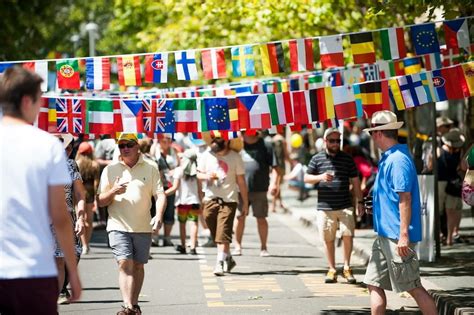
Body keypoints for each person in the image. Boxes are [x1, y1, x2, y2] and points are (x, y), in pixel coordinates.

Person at [0, 66, 81, 313]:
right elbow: (60, 216)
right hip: (34, 269)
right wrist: (73, 272)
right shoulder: (46, 146)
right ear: (27, 101)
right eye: (39, 102)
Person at [362, 110, 437, 314]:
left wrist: (403, 235)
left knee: (413, 287)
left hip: (397, 237)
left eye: (371, 133)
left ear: (378, 133)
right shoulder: (389, 157)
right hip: (385, 235)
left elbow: (405, 198)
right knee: (373, 283)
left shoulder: (397, 160)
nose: (372, 138)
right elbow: (393, 196)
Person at [98, 133, 166, 315]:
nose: (125, 148)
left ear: (137, 147)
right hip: (117, 225)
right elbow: (101, 201)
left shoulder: (151, 167)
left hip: (143, 226)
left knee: (138, 266)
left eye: (129, 145)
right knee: (124, 264)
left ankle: (134, 305)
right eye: (121, 145)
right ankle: (127, 306)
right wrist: (113, 191)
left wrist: (158, 215)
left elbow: (160, 195)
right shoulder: (110, 169)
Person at [304, 127, 364, 284]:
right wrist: (320, 177)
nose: (336, 144)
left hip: (345, 205)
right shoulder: (316, 159)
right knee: (328, 238)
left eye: (338, 141)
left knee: (348, 235)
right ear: (325, 142)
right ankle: (331, 269)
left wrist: (360, 201)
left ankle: (346, 267)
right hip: (325, 207)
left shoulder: (347, 159)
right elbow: (306, 178)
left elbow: (356, 181)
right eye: (332, 141)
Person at [197, 132, 249, 276]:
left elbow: (241, 182)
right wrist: (207, 176)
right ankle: (228, 257)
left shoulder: (235, 157)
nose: (215, 141)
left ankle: (220, 263)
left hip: (229, 201)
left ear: (226, 141)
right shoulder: (206, 155)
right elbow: (198, 174)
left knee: (223, 233)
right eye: (213, 139)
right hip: (210, 200)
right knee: (217, 234)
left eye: (218, 139)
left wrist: (245, 203)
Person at [233, 131, 281, 257]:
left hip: (260, 188)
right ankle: (237, 246)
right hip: (240, 190)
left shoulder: (266, 145)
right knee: (239, 217)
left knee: (261, 218)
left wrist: (274, 184)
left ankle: (264, 247)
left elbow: (276, 168)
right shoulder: (237, 145)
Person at [53, 133, 86, 305]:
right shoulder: (37, 164)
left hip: (65, 219)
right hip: (40, 220)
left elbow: (80, 194)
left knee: (61, 258)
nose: (64, 150)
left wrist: (80, 217)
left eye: (68, 147)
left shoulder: (71, 165)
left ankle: (58, 293)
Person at [438, 128, 466, 245]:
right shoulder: (459, 151)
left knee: (438, 211)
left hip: (439, 182)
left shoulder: (439, 150)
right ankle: (449, 238)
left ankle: (439, 234)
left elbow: (430, 164)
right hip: (453, 183)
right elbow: (463, 167)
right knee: (451, 212)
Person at [173, 149, 203, 254]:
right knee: (194, 224)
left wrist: (164, 193)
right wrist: (202, 203)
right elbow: (200, 191)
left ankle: (183, 245)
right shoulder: (197, 172)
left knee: (182, 224)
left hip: (182, 202)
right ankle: (193, 247)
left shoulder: (179, 171)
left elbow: (175, 187)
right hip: (194, 202)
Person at [76, 141, 100, 255]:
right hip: (90, 194)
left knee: (80, 219)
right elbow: (96, 183)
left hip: (77, 194)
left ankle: (83, 244)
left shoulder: (77, 163)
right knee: (89, 221)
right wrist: (96, 198)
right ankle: (87, 243)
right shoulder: (94, 164)